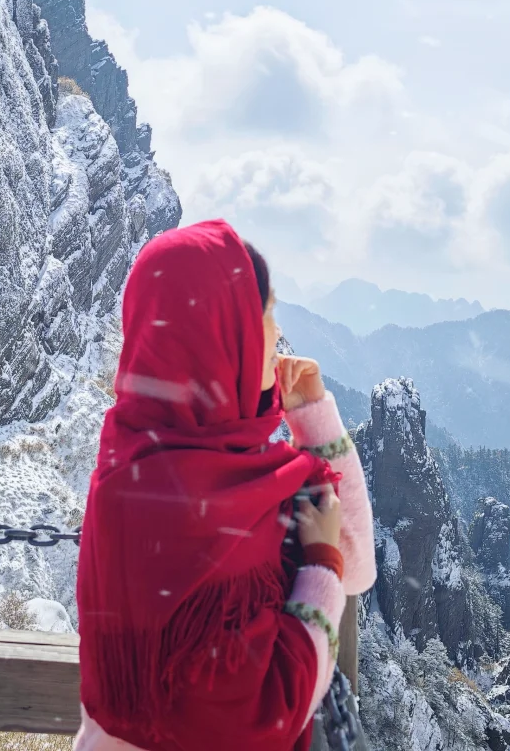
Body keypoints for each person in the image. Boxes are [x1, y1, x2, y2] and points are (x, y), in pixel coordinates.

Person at [74, 220, 376, 751]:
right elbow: (266, 713)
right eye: (264, 313)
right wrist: (321, 561)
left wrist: (304, 407)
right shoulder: (248, 494)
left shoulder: (124, 465)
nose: (277, 333)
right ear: (218, 334)